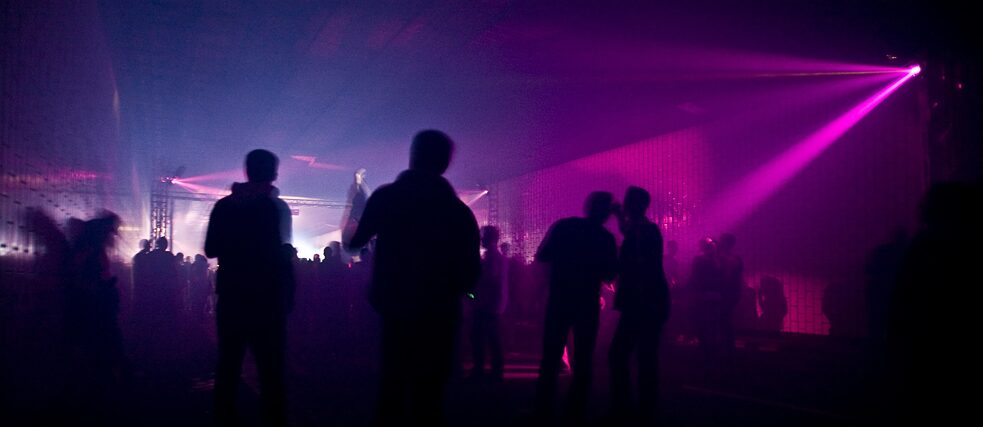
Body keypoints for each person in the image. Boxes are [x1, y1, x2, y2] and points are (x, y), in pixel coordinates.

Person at [346, 130, 481, 426]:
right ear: (445, 163)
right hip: (440, 313)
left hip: (394, 308)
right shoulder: (459, 212)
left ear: (413, 156)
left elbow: (353, 242)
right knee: (430, 394)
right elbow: (472, 273)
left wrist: (354, 204)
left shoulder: (387, 197)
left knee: (391, 388)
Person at [205, 149, 294, 427]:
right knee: (271, 369)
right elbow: (282, 254)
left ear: (247, 171)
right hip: (267, 298)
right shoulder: (274, 208)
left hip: (233, 295)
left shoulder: (224, 206)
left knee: (229, 364)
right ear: (272, 174)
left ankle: (224, 418)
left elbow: (211, 249)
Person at [533, 191, 619, 422]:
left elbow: (543, 256)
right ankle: (576, 411)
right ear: (608, 213)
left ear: (587, 206)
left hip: (560, 298)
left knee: (551, 356)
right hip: (587, 302)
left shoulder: (564, 226)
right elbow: (610, 273)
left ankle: (543, 409)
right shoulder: (606, 238)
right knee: (584, 358)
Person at [607, 186, 670, 424]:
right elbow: (629, 231)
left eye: (626, 201)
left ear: (634, 204)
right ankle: (645, 409)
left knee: (621, 354)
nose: (623, 205)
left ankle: (626, 409)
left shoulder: (641, 231)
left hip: (642, 302)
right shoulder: (645, 229)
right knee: (644, 355)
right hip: (650, 301)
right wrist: (619, 216)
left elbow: (639, 266)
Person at [470, 225, 508, 381]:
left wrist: (474, 291)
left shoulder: (492, 258)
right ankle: (494, 370)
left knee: (481, 336)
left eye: (483, 236)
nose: (481, 239)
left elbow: (489, 278)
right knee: (491, 337)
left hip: (487, 304)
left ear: (488, 238)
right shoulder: (496, 257)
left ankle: (483, 370)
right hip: (492, 303)